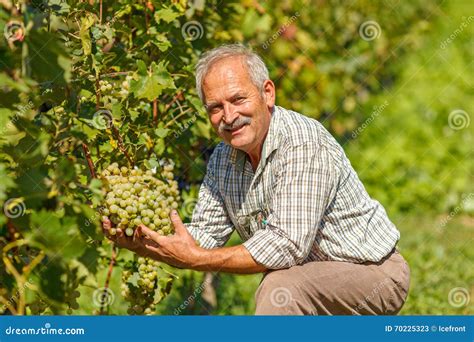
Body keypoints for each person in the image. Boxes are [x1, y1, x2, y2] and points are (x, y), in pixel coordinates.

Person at [102, 44, 410, 315]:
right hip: (310, 277)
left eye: (238, 99)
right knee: (286, 285)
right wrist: (146, 242)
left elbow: (286, 245)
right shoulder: (223, 159)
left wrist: (195, 259)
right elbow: (206, 234)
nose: (229, 116)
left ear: (267, 93)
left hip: (371, 273)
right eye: (215, 108)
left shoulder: (303, 143)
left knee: (282, 288)